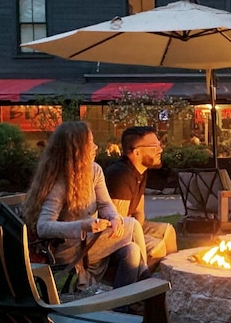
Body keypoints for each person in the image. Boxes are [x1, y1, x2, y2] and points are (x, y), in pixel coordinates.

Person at [22, 121, 147, 292]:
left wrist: (114, 217)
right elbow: (43, 227)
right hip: (68, 249)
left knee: (132, 250)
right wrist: (83, 226)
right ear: (76, 150)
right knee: (132, 224)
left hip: (89, 243)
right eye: (90, 143)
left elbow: (105, 204)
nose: (95, 147)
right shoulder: (60, 182)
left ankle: (124, 304)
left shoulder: (95, 170)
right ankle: (146, 279)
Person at [105, 126, 178, 269]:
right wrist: (140, 238)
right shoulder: (120, 175)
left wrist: (140, 231)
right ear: (137, 152)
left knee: (168, 231)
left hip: (132, 226)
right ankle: (140, 280)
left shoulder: (141, 171)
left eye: (159, 144)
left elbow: (139, 211)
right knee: (157, 247)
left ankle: (172, 277)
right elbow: (120, 225)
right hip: (113, 234)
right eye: (154, 146)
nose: (160, 150)